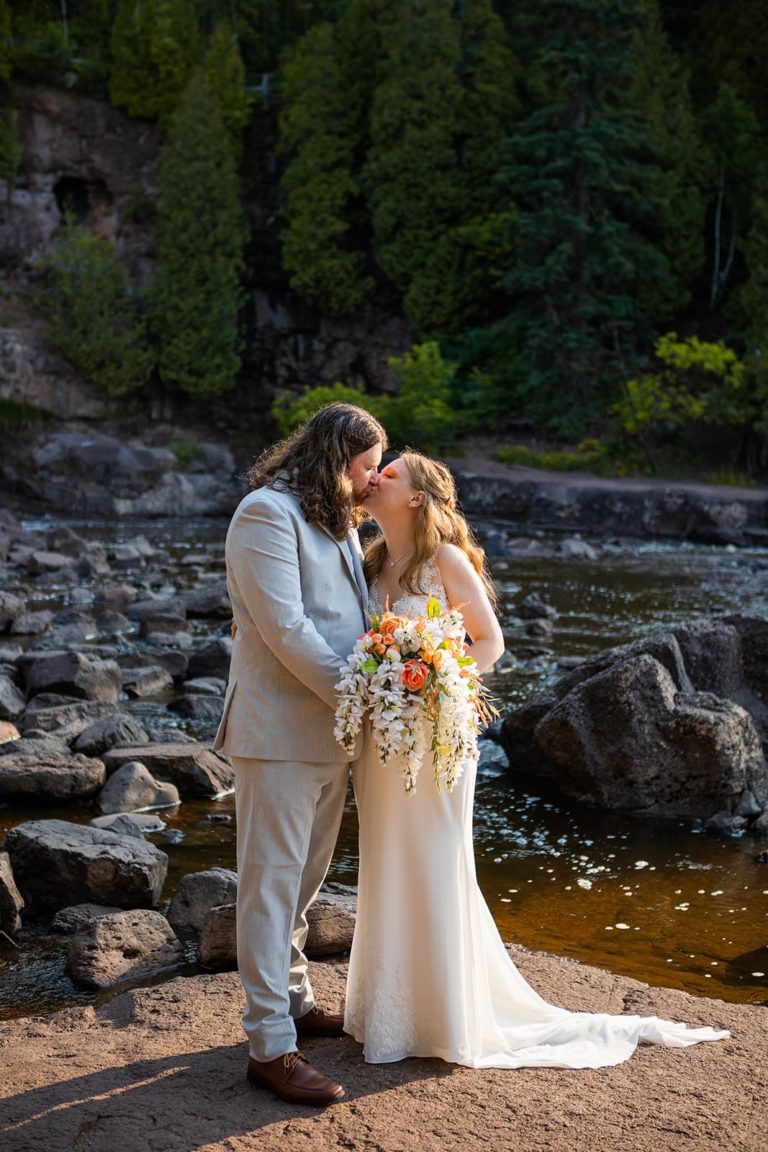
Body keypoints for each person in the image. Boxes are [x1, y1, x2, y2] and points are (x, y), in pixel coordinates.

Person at [343, 450, 730, 1067]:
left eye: (390, 473)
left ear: (417, 497)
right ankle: (388, 1012)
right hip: (382, 740)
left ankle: (444, 1015)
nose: (374, 477)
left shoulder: (443, 560)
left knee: (435, 862)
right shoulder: (369, 563)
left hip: (436, 735)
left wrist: (426, 672)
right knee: (386, 859)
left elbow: (489, 645)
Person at [213, 403, 386, 1105]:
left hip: (328, 735)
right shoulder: (265, 514)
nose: (372, 482)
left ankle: (293, 1002)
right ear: (334, 456)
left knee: (303, 886)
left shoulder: (331, 517)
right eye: (368, 467)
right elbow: (285, 628)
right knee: (270, 886)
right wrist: (363, 694)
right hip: (277, 732)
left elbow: (357, 615)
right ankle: (269, 1049)